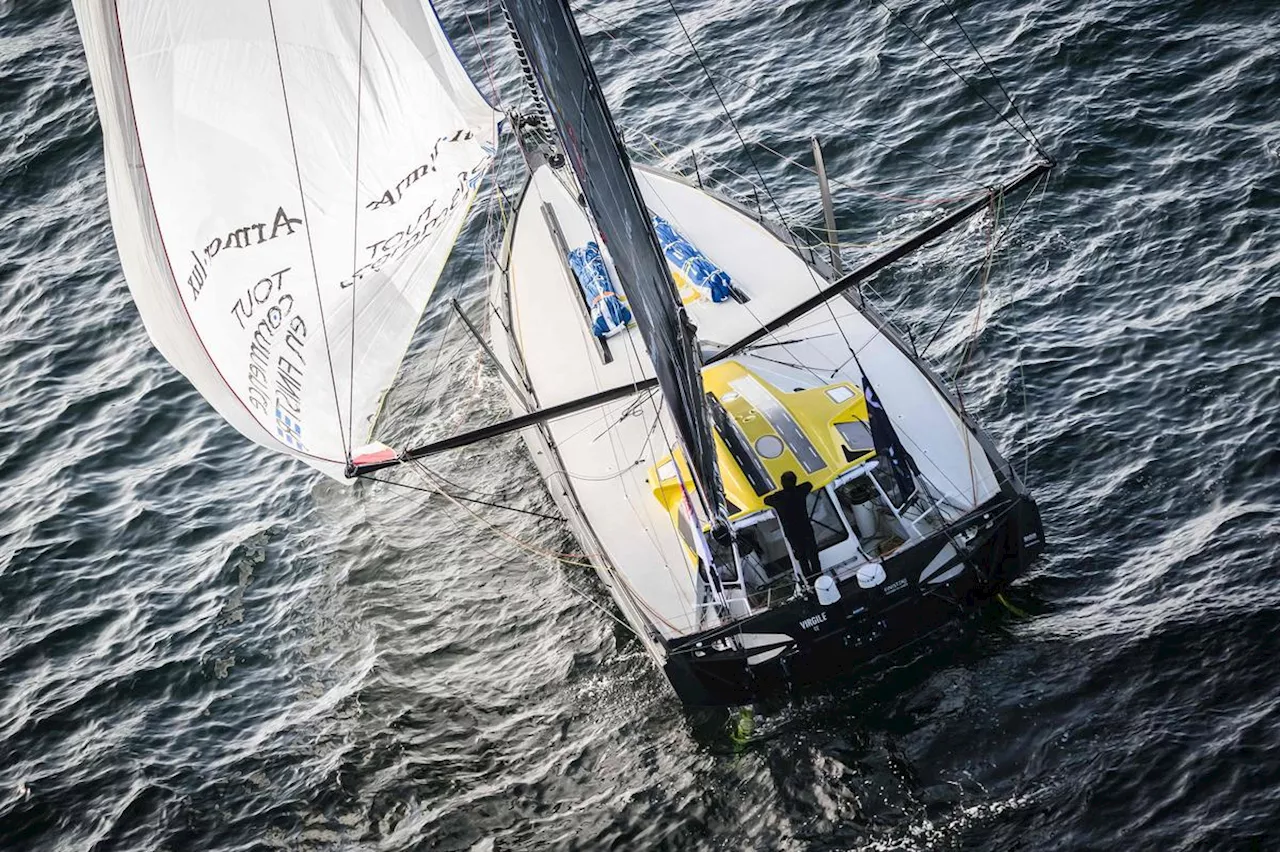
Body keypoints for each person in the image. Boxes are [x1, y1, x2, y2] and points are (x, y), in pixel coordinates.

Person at [764, 471, 823, 578]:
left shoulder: (778, 498)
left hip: (791, 532)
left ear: (782, 483)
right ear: (795, 481)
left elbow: (766, 500)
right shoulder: (800, 492)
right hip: (805, 528)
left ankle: (809, 580)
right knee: (813, 555)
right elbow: (808, 484)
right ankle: (819, 576)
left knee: (801, 557)